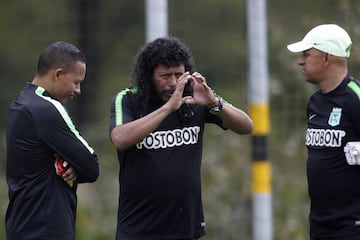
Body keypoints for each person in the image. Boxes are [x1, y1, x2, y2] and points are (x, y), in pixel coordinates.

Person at [109, 36, 253, 240]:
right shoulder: (129, 99)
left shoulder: (196, 98)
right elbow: (120, 138)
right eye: (165, 76)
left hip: (185, 227)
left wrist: (213, 102)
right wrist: (169, 108)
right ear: (148, 75)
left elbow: (246, 126)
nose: (173, 83)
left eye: (179, 74)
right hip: (138, 228)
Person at [5, 41, 100, 240]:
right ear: (57, 74)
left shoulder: (20, 104)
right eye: (76, 82)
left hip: (21, 224)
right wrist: (75, 165)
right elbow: (91, 166)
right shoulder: (47, 108)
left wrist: (68, 165)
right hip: (46, 228)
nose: (79, 90)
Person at [287, 24, 360, 239]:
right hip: (320, 223)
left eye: (306, 54)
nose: (301, 60)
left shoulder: (354, 97)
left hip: (353, 224)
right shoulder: (315, 102)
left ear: (327, 57)